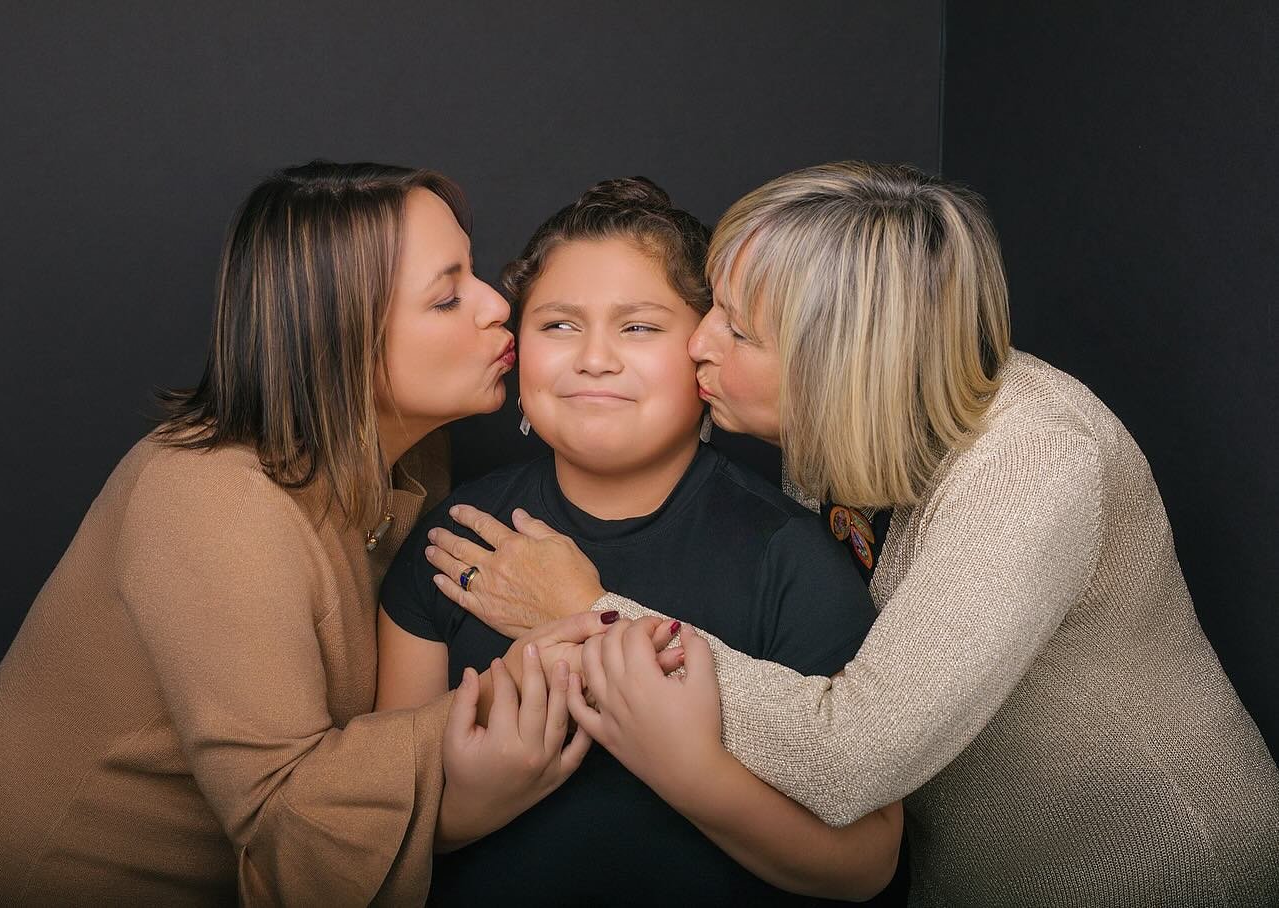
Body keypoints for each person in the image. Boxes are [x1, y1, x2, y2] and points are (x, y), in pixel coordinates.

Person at [421, 163, 1279, 906]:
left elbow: (851, 757)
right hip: (961, 864)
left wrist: (591, 613)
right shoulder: (834, 431)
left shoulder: (1037, 464)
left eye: (737, 329)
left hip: (1139, 869)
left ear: (838, 359)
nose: (699, 344)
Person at [0, 161, 602, 907]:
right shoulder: (211, 499)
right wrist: (503, 701)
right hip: (25, 876)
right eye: (446, 297)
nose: (497, 304)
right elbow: (283, 807)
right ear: (338, 338)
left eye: (471, 274)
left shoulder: (412, 457)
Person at [376, 177, 903, 905]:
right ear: (518, 349)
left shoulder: (792, 555)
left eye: (639, 327)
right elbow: (380, 817)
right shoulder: (454, 540)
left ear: (705, 349)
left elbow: (868, 863)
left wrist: (688, 771)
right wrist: (461, 810)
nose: (594, 358)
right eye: (558, 325)